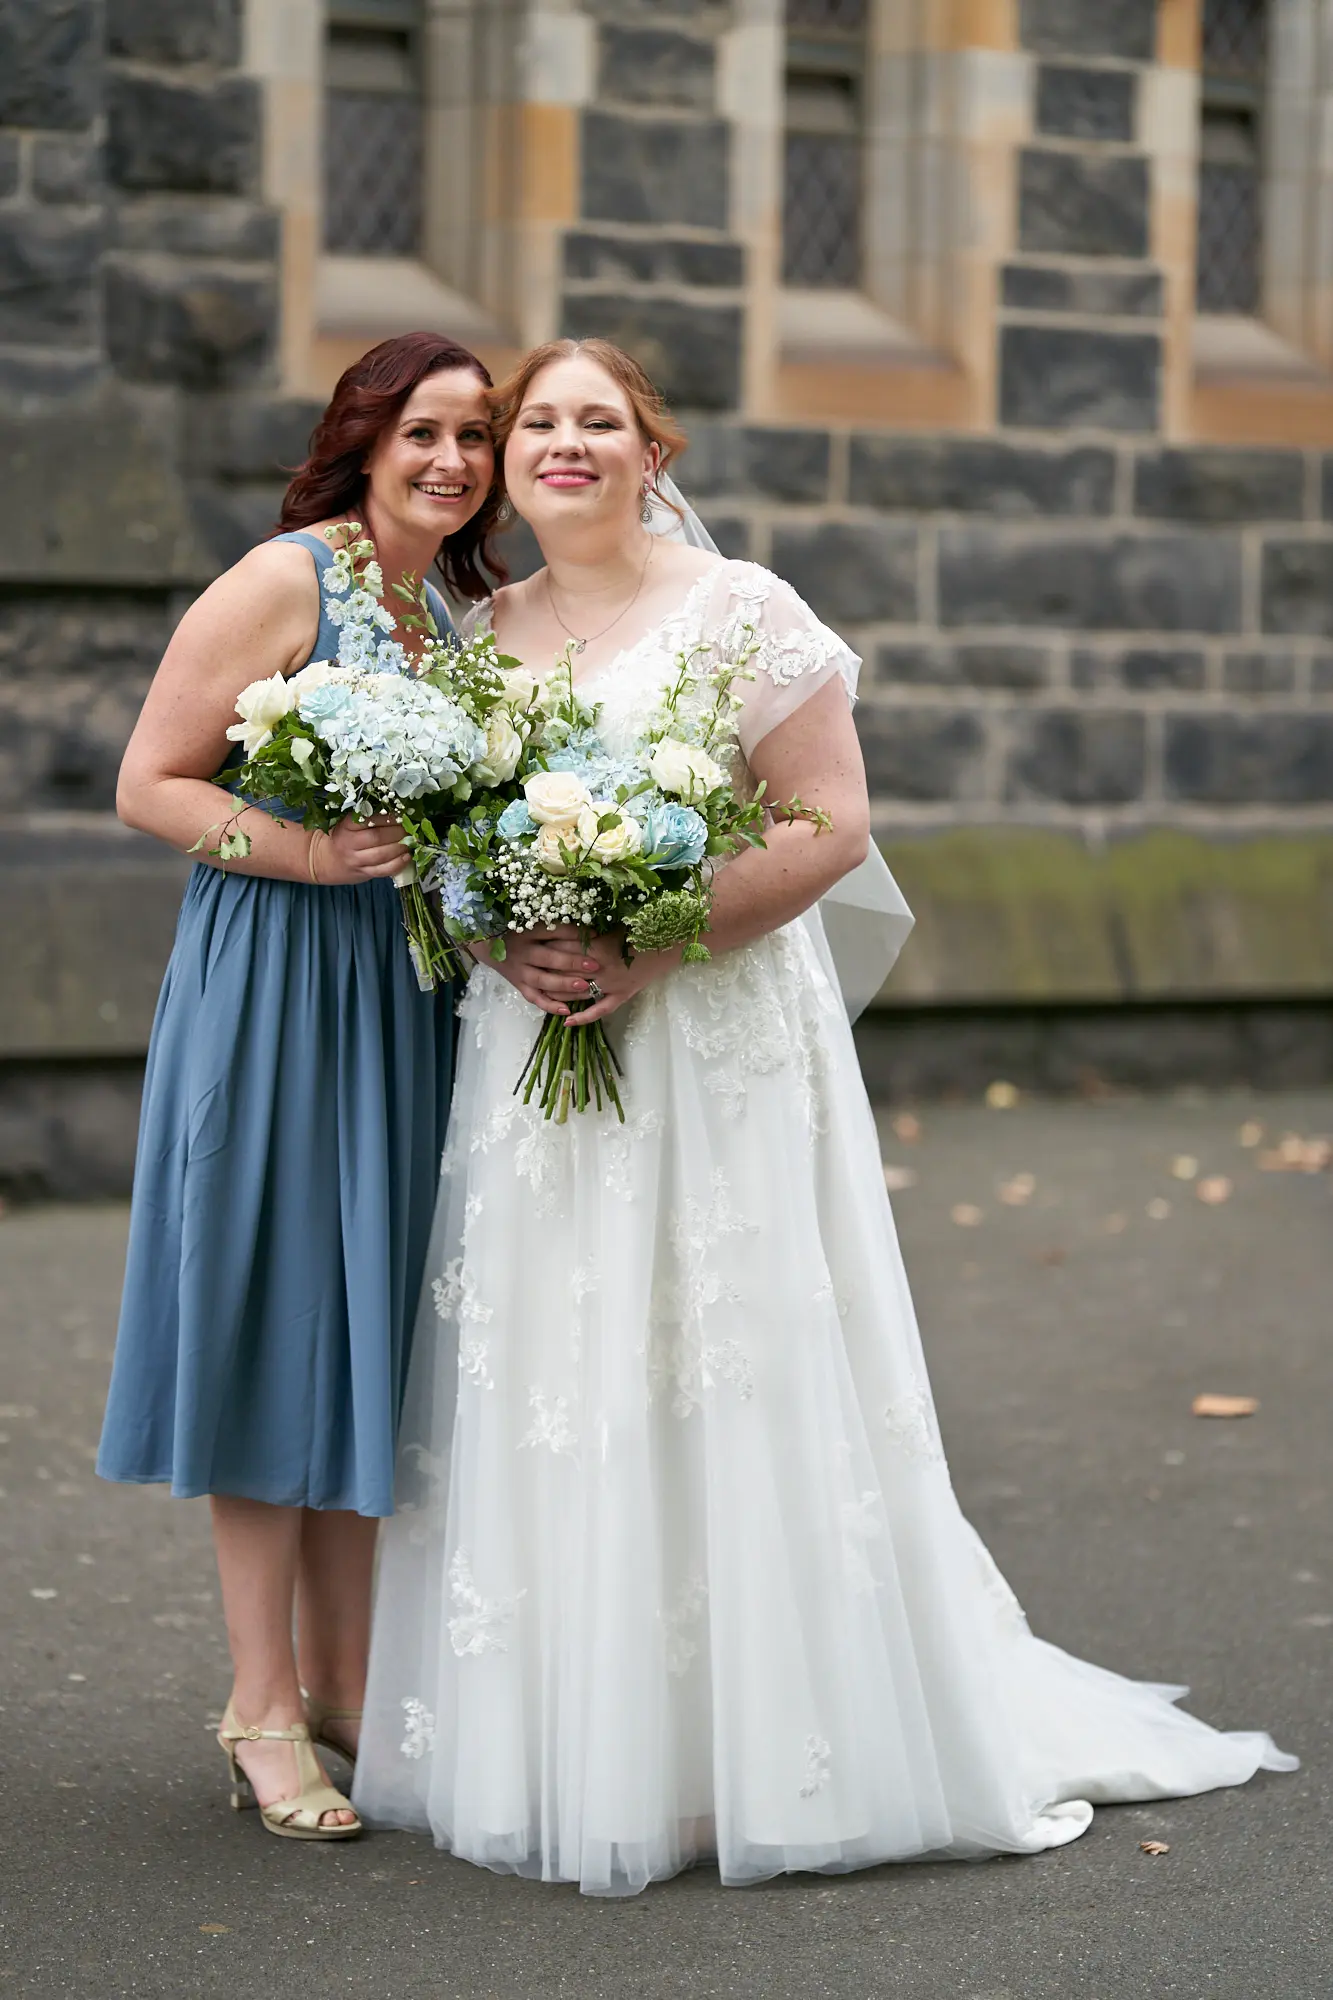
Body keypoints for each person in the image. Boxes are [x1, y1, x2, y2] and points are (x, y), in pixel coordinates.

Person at [352, 339, 1295, 1892]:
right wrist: (506, 929)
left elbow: (828, 819)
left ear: (655, 456)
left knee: (723, 1354)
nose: (563, 444)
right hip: (541, 1053)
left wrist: (657, 935)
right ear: (507, 464)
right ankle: (599, 1736)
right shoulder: (476, 635)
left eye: (600, 421)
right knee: (564, 1361)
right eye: (538, 423)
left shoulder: (746, 612)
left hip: (709, 1037)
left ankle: (765, 1738)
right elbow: (448, 852)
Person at [97, 331, 506, 1840]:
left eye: (475, 435)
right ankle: (260, 1706)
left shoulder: (461, 609)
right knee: (276, 1315)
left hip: (410, 999)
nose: (451, 460)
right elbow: (150, 781)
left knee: (374, 1328)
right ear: (364, 436)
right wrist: (307, 851)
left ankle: (344, 1688)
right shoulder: (288, 579)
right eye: (423, 431)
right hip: (276, 982)